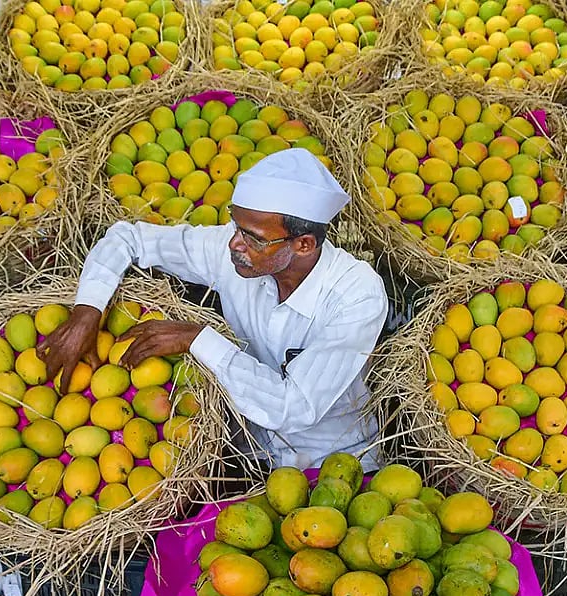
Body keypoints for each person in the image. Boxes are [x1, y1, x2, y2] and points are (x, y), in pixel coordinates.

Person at [39, 148, 389, 471]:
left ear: (303, 244)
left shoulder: (356, 295)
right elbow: (128, 239)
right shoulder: (234, 248)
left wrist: (196, 339)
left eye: (253, 238)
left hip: (334, 461)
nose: (235, 243)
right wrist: (88, 310)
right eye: (235, 225)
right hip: (249, 451)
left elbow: (293, 407)